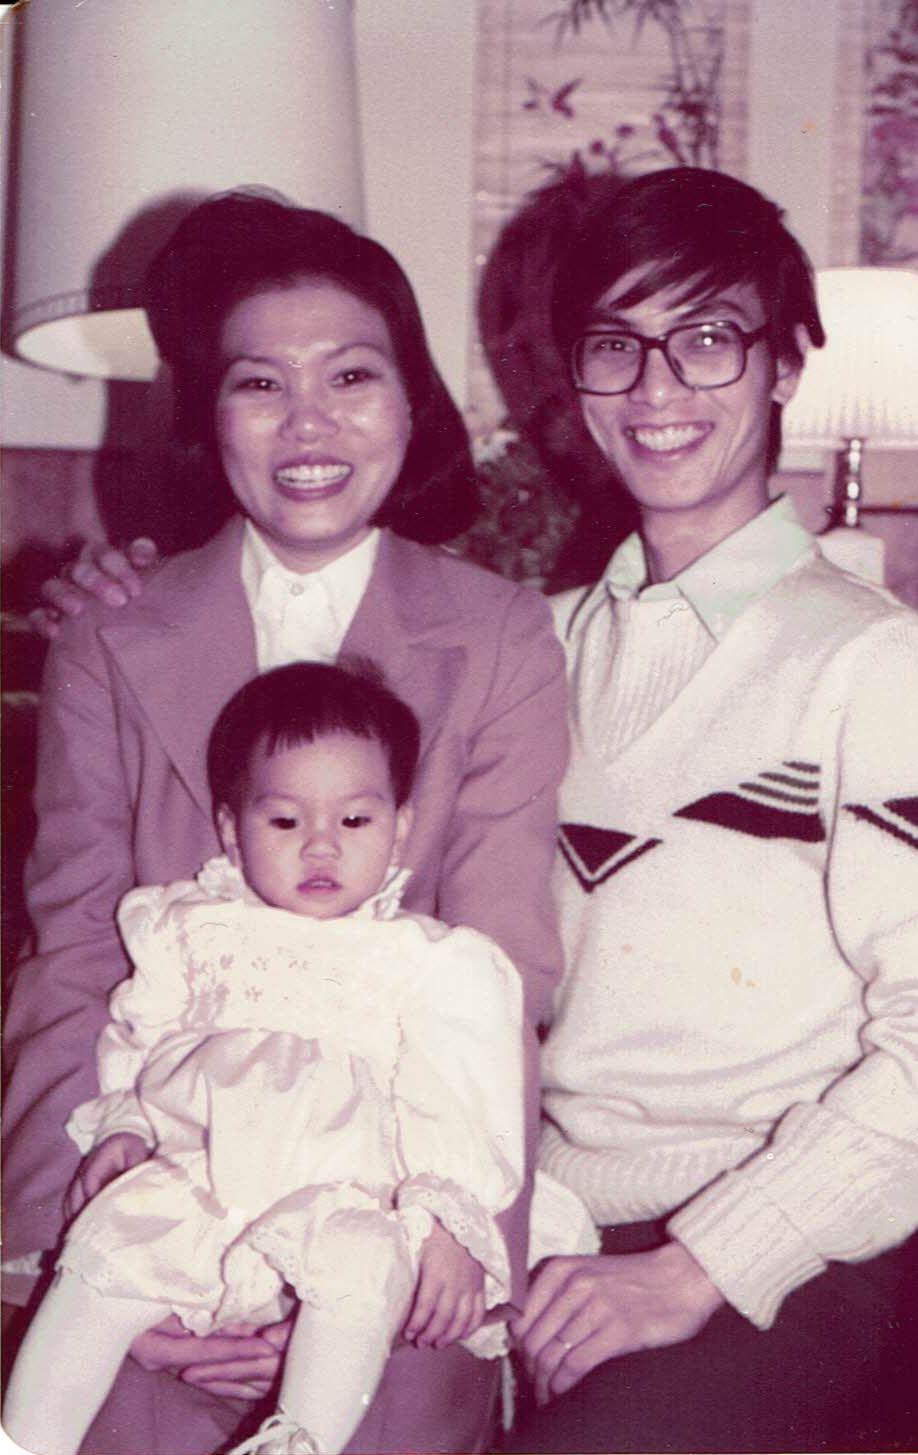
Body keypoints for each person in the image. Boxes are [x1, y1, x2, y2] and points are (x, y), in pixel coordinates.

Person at [1, 190, 568, 1455]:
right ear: (210, 419)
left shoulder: (499, 636)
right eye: (260, 383)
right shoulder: (109, 629)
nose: (309, 422)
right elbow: (78, 951)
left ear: (411, 402)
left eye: (352, 375)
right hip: (147, 1207)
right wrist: (65, 1245)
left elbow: (500, 973)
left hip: (387, 1233)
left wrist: (449, 1248)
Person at [502, 166, 918, 1452]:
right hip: (542, 1228)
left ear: (786, 366)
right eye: (615, 349)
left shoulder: (873, 662)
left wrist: (696, 1268)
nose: (658, 390)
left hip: (787, 1246)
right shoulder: (534, 647)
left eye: (708, 338)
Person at [5, 659, 564, 1455]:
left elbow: (461, 1095)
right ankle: (26, 1439)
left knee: (361, 1270)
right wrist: (125, 1125)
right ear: (233, 829)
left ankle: (296, 1442)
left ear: (401, 825)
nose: (321, 847)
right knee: (104, 1255)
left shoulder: (427, 960)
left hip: (344, 1193)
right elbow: (136, 1036)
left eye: (356, 821)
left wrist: (444, 1218)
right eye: (285, 822)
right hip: (191, 1181)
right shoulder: (192, 928)